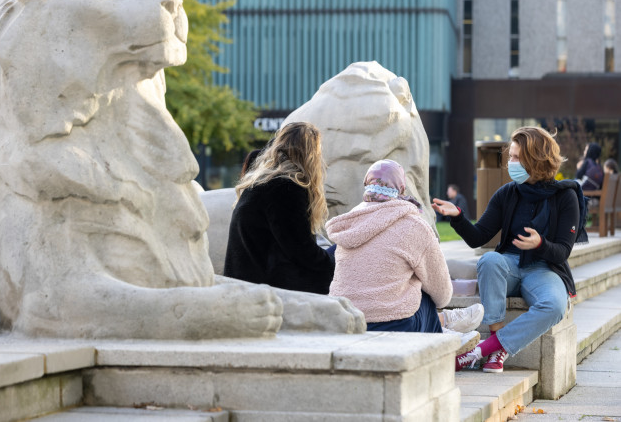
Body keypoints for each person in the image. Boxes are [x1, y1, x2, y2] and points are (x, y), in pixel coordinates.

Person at [433, 126, 588, 373]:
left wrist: (540, 244)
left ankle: (485, 351)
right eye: (511, 156)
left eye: (517, 157)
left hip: (545, 269)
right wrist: (458, 216)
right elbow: (478, 238)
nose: (510, 162)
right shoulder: (507, 193)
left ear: (536, 158)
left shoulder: (565, 197)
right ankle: (496, 348)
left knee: (555, 305)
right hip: (510, 266)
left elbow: (562, 252)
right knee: (490, 260)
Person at [326, 159, 484, 354]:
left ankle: (446, 331)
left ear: (366, 184)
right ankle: (444, 345)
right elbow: (442, 294)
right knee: (424, 291)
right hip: (395, 325)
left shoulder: (350, 223)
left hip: (345, 322)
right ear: (401, 188)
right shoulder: (413, 225)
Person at [224, 122, 335, 294]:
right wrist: (334, 265)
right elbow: (300, 249)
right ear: (310, 155)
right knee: (345, 253)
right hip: (268, 285)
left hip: (246, 278)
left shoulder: (260, 182)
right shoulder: (286, 188)